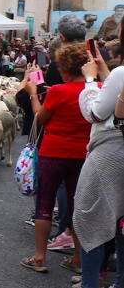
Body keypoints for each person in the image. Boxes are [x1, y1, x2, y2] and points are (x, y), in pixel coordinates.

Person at [22, 44, 93, 274]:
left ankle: (39, 257)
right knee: (78, 205)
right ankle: (78, 259)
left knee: (44, 202)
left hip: (53, 152)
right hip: (83, 154)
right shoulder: (97, 89)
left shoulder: (58, 92)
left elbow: (41, 119)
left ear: (65, 70)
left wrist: (34, 95)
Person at [75, 40, 124, 288]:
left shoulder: (122, 73)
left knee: (91, 217)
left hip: (112, 153)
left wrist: (91, 80)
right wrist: (107, 74)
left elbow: (94, 113)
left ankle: (89, 284)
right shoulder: (118, 74)